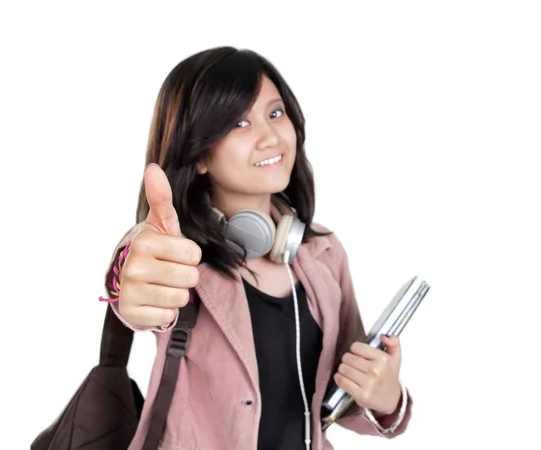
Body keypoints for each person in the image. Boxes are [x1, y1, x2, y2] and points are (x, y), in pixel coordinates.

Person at [100, 46, 413, 450]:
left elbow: (341, 395)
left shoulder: (323, 252)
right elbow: (134, 277)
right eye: (240, 122)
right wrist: (128, 278)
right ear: (198, 155)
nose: (270, 136)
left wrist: (385, 397)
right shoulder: (179, 254)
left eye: (275, 113)